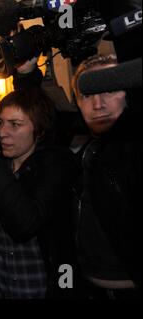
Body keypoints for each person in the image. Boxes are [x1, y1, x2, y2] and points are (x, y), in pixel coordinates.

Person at [0, 89, 77, 299]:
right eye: (0, 122)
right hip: (3, 290)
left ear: (40, 130)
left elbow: (24, 224)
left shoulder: (56, 163)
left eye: (15, 124)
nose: (2, 132)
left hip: (46, 289)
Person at [71, 54, 141, 299]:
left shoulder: (131, 149)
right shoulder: (84, 152)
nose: (97, 104)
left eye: (109, 90)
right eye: (87, 95)